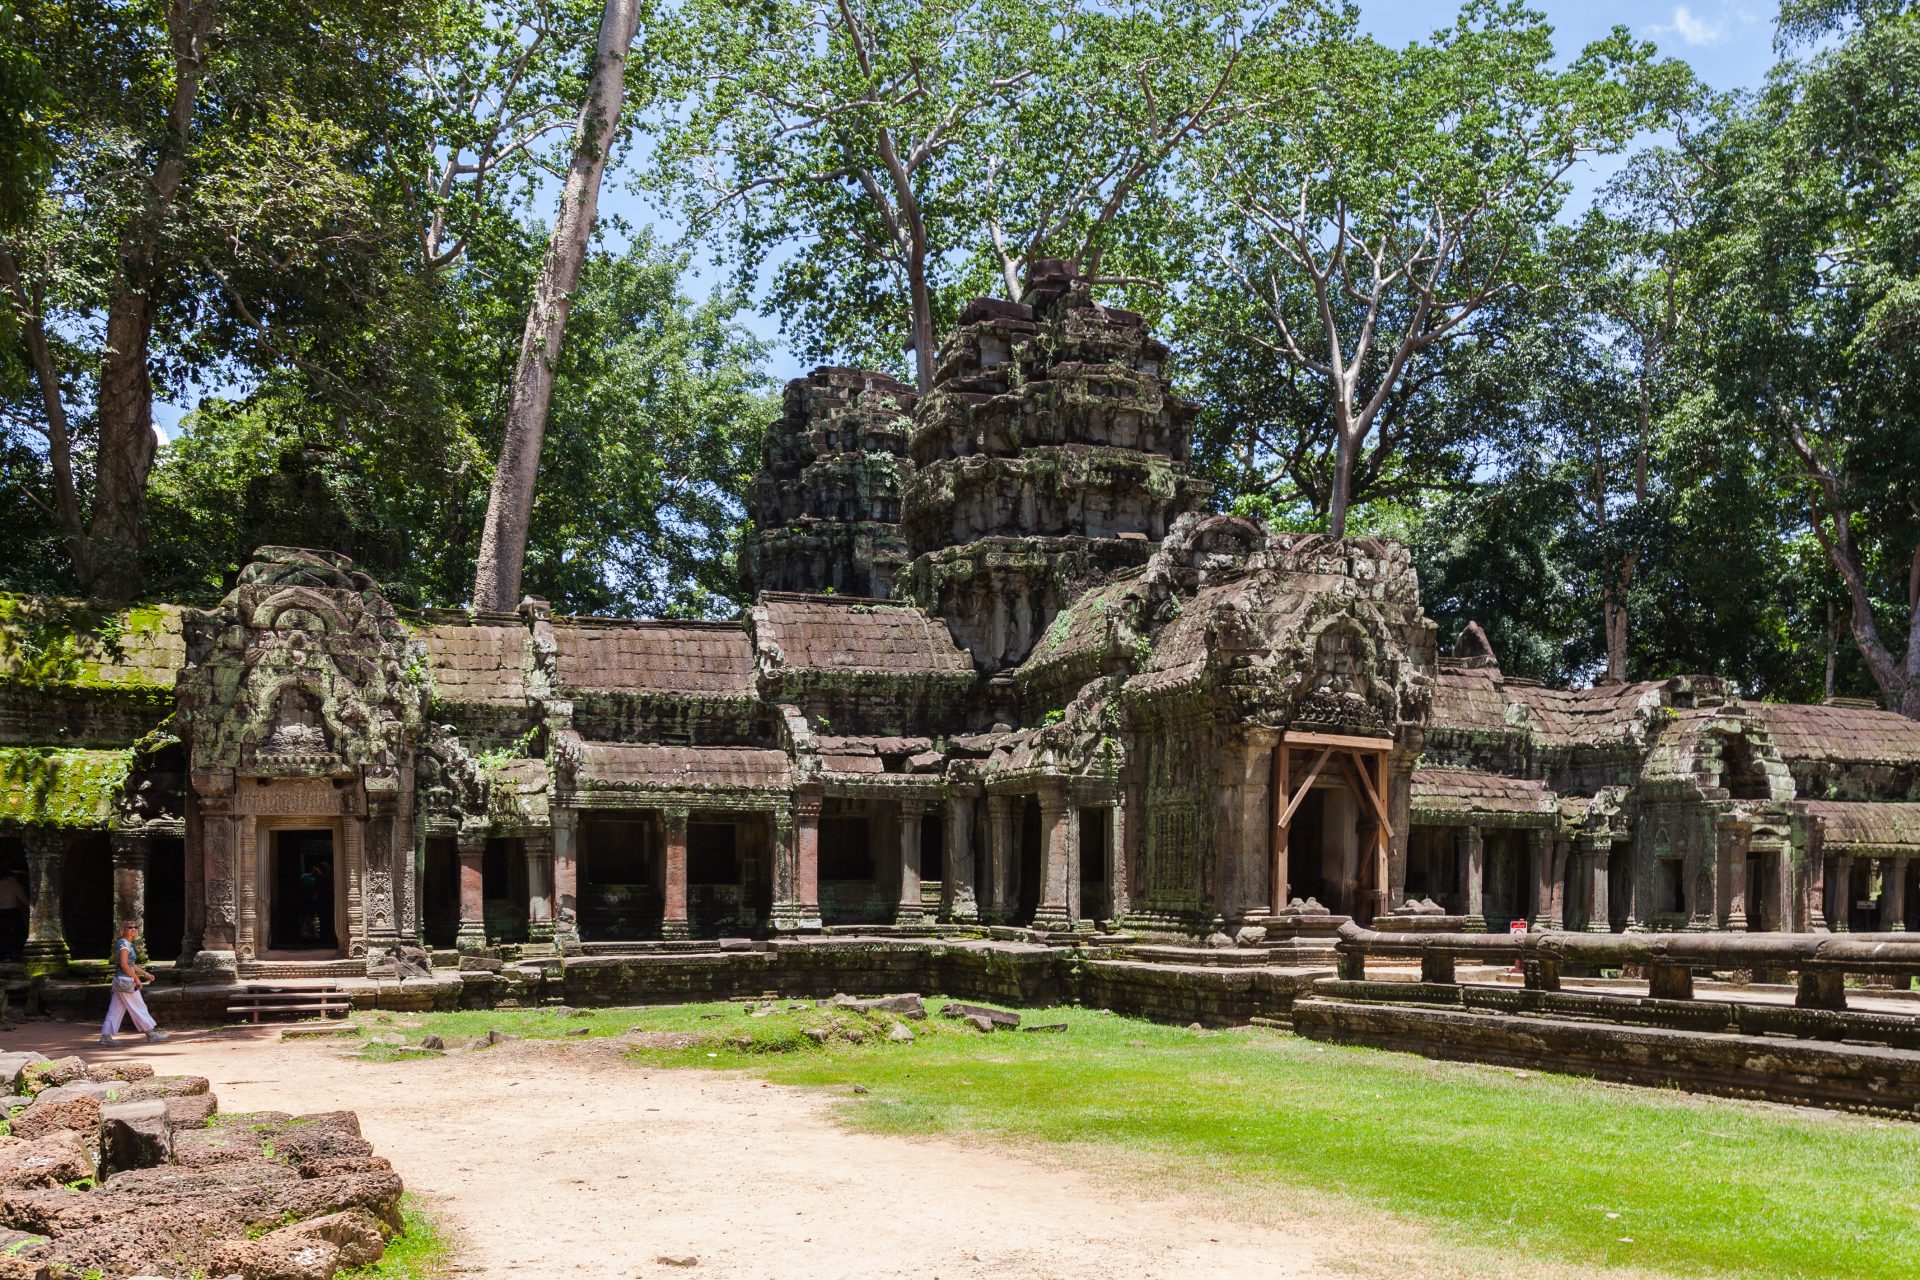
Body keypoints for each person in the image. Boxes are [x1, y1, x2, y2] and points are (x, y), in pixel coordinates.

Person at [100, 920, 168, 1046]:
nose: (133, 929)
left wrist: (145, 974)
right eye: (129, 927)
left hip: (122, 981)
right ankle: (151, 1033)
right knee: (139, 1006)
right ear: (123, 929)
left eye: (135, 927)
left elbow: (131, 965)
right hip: (126, 981)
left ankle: (105, 1036)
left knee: (115, 1009)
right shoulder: (124, 944)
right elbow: (124, 964)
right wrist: (136, 979)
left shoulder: (127, 944)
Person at [0, 871, 26, 959]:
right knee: (16, 933)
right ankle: (14, 953)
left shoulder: (1, 883)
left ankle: (4, 954)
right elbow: (24, 900)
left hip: (1, 912)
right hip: (12, 912)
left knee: (3, 933)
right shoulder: (16, 885)